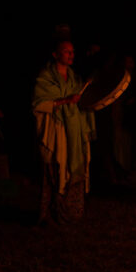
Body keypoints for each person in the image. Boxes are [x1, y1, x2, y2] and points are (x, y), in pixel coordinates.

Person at [32, 40, 95, 224]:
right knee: (55, 170)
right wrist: (64, 101)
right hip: (57, 130)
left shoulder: (74, 77)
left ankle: (70, 213)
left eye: (72, 52)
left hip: (74, 129)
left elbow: (80, 101)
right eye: (66, 52)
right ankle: (50, 214)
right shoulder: (46, 77)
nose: (71, 55)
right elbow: (39, 103)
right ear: (55, 54)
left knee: (73, 167)